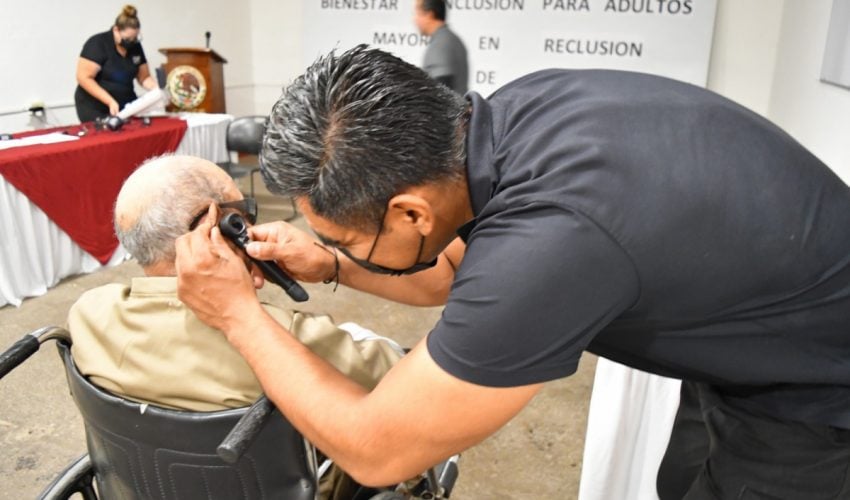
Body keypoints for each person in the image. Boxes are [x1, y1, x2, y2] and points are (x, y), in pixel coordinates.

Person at [175, 46, 850, 498]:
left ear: (410, 212)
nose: (334, 246)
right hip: (749, 329)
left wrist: (238, 315)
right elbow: (449, 273)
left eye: (342, 236)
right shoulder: (504, 118)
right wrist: (331, 264)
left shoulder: (549, 245)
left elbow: (377, 449)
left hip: (819, 393)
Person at [67, 154, 405, 500]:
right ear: (219, 224)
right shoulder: (284, 336)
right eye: (243, 213)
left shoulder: (89, 313)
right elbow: (398, 377)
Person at [74, 5, 158, 123]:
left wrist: (158, 91)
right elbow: (84, 77)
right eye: (127, 39)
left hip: (126, 103)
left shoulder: (135, 46)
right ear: (116, 30)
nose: (131, 42)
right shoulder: (98, 44)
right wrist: (110, 101)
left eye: (135, 38)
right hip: (95, 106)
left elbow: (144, 77)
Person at [413, 0, 468, 95]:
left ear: (429, 15)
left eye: (417, 13)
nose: (414, 19)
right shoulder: (450, 39)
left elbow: (440, 93)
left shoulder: (441, 44)